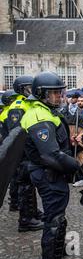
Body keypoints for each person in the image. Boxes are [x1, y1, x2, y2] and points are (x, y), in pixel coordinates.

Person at [20, 72, 81, 259]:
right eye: (54, 93)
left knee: (58, 215)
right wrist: (76, 166)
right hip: (49, 174)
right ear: (41, 94)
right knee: (53, 220)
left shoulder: (45, 110)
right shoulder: (39, 114)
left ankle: (59, 249)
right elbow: (50, 155)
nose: (59, 97)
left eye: (59, 92)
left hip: (52, 173)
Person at [7, 76, 44, 232]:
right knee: (25, 186)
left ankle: (32, 212)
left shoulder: (26, 103)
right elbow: (16, 134)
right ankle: (25, 219)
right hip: (21, 154)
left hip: (27, 153)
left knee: (29, 185)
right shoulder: (17, 106)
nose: (31, 89)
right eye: (28, 87)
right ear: (21, 89)